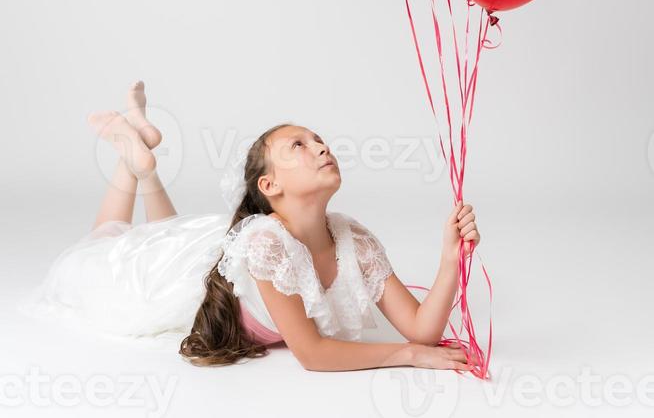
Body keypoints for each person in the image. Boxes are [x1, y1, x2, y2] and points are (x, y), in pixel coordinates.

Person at [21, 81, 481, 373]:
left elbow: (420, 327)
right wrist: (407, 356)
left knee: (161, 234)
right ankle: (132, 155)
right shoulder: (267, 245)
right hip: (176, 284)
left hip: (202, 261)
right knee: (107, 248)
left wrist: (448, 261)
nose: (321, 148)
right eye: (299, 145)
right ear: (270, 184)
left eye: (319, 140)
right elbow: (313, 354)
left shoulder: (354, 241)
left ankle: (138, 159)